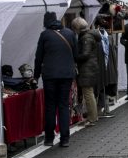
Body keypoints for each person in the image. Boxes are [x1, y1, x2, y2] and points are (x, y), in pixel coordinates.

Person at [34, 11, 78, 146]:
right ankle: (65, 139)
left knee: (50, 106)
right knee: (64, 105)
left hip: (50, 76)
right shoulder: (70, 33)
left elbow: (39, 57)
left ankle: (49, 138)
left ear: (46, 22)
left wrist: (36, 76)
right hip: (66, 75)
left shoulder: (45, 35)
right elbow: (76, 55)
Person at [72, 17, 105, 126]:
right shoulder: (90, 35)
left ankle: (92, 118)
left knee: (88, 93)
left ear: (77, 28)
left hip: (87, 69)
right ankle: (92, 117)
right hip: (90, 68)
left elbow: (85, 54)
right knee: (89, 93)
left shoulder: (86, 37)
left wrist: (75, 57)